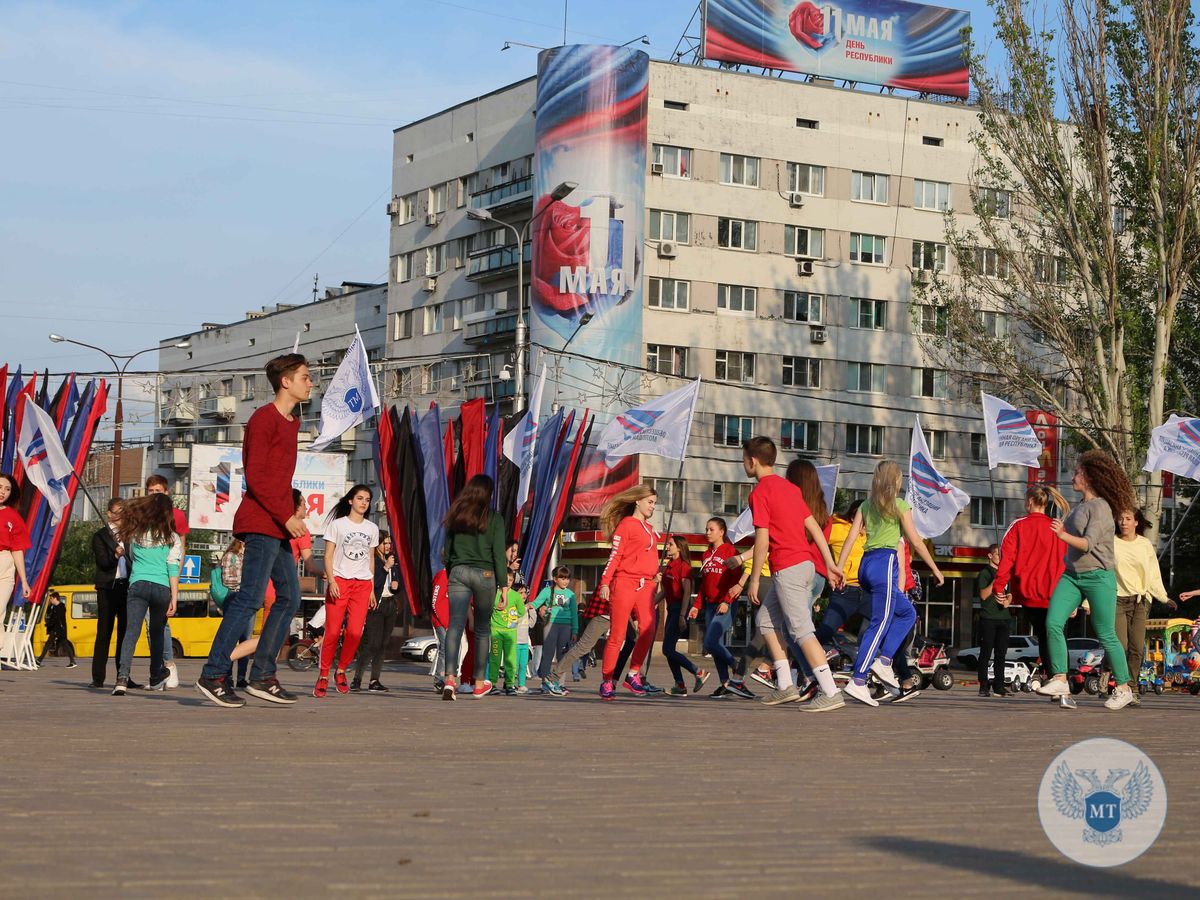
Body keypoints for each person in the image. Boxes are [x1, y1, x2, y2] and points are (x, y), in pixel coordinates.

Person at [195, 353, 312, 708]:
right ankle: (214, 674)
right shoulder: (264, 419)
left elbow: (278, 480)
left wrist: (288, 517)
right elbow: (257, 476)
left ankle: (262, 676)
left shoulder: (291, 423)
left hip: (276, 523)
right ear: (286, 381)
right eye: (305, 377)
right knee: (249, 599)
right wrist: (286, 515)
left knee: (290, 597)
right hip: (262, 521)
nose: (311, 383)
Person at [741, 437, 845, 710]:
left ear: (752, 461)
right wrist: (829, 563)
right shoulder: (789, 488)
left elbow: (762, 538)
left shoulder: (760, 492)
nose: (744, 465)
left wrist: (753, 579)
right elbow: (811, 525)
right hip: (804, 565)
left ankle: (831, 691)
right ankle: (786, 684)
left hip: (788, 568)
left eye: (744, 461)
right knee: (766, 620)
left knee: (801, 630)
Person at [835, 459, 945, 708]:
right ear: (896, 481)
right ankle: (859, 680)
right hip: (884, 563)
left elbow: (852, 538)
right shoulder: (899, 506)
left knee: (907, 613)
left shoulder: (866, 505)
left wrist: (839, 568)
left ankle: (884, 662)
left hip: (866, 564)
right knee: (880, 622)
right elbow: (916, 542)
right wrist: (935, 569)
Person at [1035, 450, 1138, 710]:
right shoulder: (1080, 507)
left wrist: (1061, 534)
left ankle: (1124, 688)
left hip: (1098, 577)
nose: (1074, 475)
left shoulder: (1101, 507)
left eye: (1079, 472)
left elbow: (1087, 544)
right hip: (1072, 576)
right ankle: (1060, 678)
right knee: (1052, 623)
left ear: (1090, 478)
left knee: (1106, 634)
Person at [439, 474, 507, 701]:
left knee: (455, 627)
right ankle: (479, 683)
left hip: (458, 572)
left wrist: (452, 575)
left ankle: (449, 679)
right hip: (485, 574)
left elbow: (446, 553)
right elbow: (499, 554)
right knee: (482, 629)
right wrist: (504, 586)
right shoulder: (494, 518)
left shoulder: (456, 516)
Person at [991, 486, 1066, 680]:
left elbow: (1007, 559)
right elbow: (1067, 562)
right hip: (1056, 593)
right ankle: (1059, 677)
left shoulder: (1019, 525)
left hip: (1030, 592)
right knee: (1055, 636)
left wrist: (999, 587)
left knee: (1044, 635)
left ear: (1030, 502)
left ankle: (1055, 678)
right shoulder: (1057, 528)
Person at [596, 485, 661, 701]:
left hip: (646, 586)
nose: (653, 506)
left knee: (648, 630)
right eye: (650, 502)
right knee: (618, 635)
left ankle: (633, 673)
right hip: (624, 582)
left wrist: (655, 575)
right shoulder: (626, 525)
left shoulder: (650, 529)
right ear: (638, 501)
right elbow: (615, 555)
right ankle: (607, 680)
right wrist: (605, 583)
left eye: (654, 503)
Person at [313, 485, 380, 698]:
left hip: (362, 584)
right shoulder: (337, 525)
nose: (363, 503)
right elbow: (328, 555)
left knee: (355, 632)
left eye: (367, 500)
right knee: (332, 631)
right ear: (350, 500)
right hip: (340, 581)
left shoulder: (372, 528)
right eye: (360, 498)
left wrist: (370, 588)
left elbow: (370, 558)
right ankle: (323, 674)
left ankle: (341, 670)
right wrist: (331, 580)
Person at [113, 493, 181, 695]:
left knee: (131, 633)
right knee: (157, 633)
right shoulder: (172, 537)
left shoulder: (136, 534)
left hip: (138, 585)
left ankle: (121, 680)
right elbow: (173, 569)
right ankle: (154, 676)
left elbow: (132, 557)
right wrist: (174, 598)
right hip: (161, 589)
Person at [688, 517, 751, 698]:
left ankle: (737, 667)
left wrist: (726, 601)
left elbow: (735, 581)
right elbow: (704, 584)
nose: (707, 533)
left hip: (726, 604)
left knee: (710, 642)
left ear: (721, 531)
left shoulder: (731, 552)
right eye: (706, 529)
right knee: (716, 646)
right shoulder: (705, 555)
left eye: (711, 529)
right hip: (709, 605)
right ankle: (725, 683)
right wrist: (697, 606)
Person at [1113, 508, 1169, 700]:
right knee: (1120, 646)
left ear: (1136, 522)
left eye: (1128, 519)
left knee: (1137, 647)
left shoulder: (1145, 545)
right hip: (1116, 600)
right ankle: (1119, 683)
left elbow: (1153, 573)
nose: (1123, 522)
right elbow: (1101, 572)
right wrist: (1088, 601)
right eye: (1120, 519)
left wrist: (1163, 597)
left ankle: (1132, 686)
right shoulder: (1111, 543)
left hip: (1140, 601)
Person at [145, 475, 187, 688]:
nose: (154, 495)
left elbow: (180, 548)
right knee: (148, 626)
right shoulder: (142, 514)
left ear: (167, 492)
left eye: (158, 491)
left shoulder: (176, 515)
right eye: (151, 491)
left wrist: (175, 581)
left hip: (165, 576)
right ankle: (157, 670)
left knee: (161, 624)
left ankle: (168, 665)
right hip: (143, 576)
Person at [353, 532, 402, 692]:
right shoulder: (372, 561)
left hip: (390, 605)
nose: (387, 546)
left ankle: (375, 680)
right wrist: (386, 567)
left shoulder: (392, 561)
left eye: (389, 543)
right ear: (377, 544)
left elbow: (395, 582)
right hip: (376, 605)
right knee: (371, 644)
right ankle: (357, 679)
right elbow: (374, 583)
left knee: (382, 645)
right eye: (384, 543)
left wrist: (396, 585)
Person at [659, 536, 708, 695]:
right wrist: (649, 604)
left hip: (680, 609)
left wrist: (682, 616)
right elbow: (665, 592)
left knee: (667, 649)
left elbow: (687, 593)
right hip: (671, 609)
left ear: (679, 548)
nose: (668, 547)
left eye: (671, 545)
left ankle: (698, 671)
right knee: (668, 649)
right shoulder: (669, 566)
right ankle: (679, 685)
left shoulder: (684, 566)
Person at [90, 497, 129, 688]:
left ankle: (123, 676)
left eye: (124, 511)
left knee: (125, 633)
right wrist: (115, 555)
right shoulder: (100, 536)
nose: (122, 515)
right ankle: (98, 677)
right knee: (104, 632)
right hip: (107, 587)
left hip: (127, 587)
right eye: (118, 511)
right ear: (110, 514)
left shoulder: (130, 535)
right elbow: (103, 563)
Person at [543, 586, 611, 696]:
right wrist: (534, 606)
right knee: (581, 647)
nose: (565, 582)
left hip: (619, 614)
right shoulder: (612, 575)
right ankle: (552, 678)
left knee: (632, 640)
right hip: (603, 615)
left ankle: (627, 678)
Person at [533, 566, 579, 685]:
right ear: (555, 578)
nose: (565, 581)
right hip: (550, 625)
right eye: (562, 578)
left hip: (566, 627)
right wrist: (528, 606)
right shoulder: (547, 591)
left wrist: (575, 630)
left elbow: (574, 614)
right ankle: (545, 683)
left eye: (567, 578)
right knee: (547, 654)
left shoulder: (571, 594)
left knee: (562, 656)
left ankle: (560, 684)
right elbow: (536, 602)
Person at [976, 544, 1011, 698]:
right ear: (990, 556)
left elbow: (1010, 593)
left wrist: (1008, 601)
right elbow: (983, 595)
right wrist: (996, 579)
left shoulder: (1006, 572)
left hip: (1004, 617)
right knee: (986, 653)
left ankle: (999, 686)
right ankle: (984, 686)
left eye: (1001, 555)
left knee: (1001, 654)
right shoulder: (985, 573)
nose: (1000, 557)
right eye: (997, 554)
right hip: (988, 617)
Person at [489, 572, 526, 694]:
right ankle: (492, 684)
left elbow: (521, 611)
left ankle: (510, 684)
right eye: (505, 579)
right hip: (496, 631)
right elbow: (489, 609)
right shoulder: (494, 593)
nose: (508, 582)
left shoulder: (515, 596)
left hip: (511, 632)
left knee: (510, 659)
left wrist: (512, 617)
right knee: (495, 658)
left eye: (510, 580)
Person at [0, 473, 32, 611]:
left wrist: (24, 581)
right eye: (0, 487)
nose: (3, 492)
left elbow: (17, 549)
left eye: (7, 489)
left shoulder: (13, 516)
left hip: (5, 563)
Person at [37, 591, 76, 667]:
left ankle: (39, 661)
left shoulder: (61, 607)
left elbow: (57, 618)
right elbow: (48, 613)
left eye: (51, 598)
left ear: (55, 598)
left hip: (59, 629)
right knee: (50, 644)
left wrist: (48, 624)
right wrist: (49, 606)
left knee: (62, 645)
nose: (50, 600)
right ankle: (39, 660)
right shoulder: (53, 606)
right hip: (55, 629)